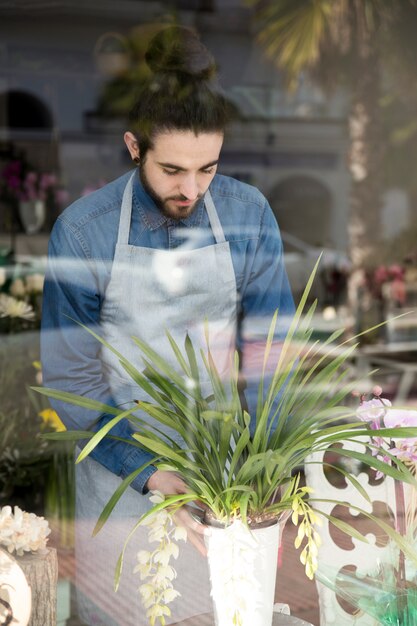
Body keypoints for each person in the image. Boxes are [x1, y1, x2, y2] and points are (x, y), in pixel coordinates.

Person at [41, 25, 294, 626]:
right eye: (173, 170)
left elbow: (270, 350)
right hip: (121, 488)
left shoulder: (247, 213)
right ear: (135, 147)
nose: (191, 189)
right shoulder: (83, 232)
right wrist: (150, 473)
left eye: (208, 168)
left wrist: (268, 468)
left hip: (226, 482)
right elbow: (71, 376)